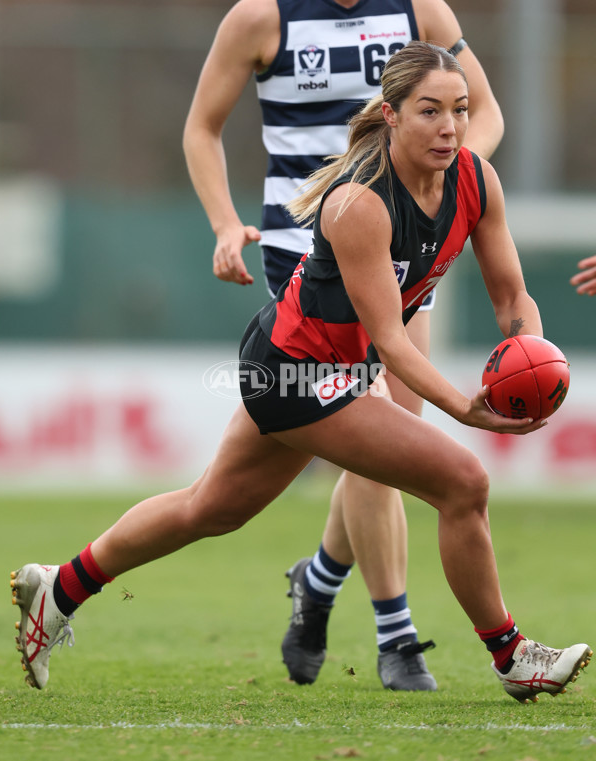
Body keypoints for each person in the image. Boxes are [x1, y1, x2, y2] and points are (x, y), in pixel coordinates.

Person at [12, 42, 591, 704]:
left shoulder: (476, 181)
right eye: (429, 111)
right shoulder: (358, 204)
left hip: (322, 366)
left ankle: (58, 588)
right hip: (292, 372)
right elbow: (393, 346)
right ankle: (513, 655)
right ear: (392, 115)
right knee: (463, 481)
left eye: (459, 110)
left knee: (212, 506)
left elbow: (513, 299)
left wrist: (534, 355)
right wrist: (467, 408)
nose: (450, 126)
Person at [183, 0, 504, 691]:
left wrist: (447, 187)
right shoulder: (261, 18)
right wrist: (222, 223)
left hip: (405, 246)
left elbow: (487, 115)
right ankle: (397, 636)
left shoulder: (420, 9)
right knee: (372, 431)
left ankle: (320, 579)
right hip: (306, 253)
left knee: (386, 441)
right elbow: (201, 130)